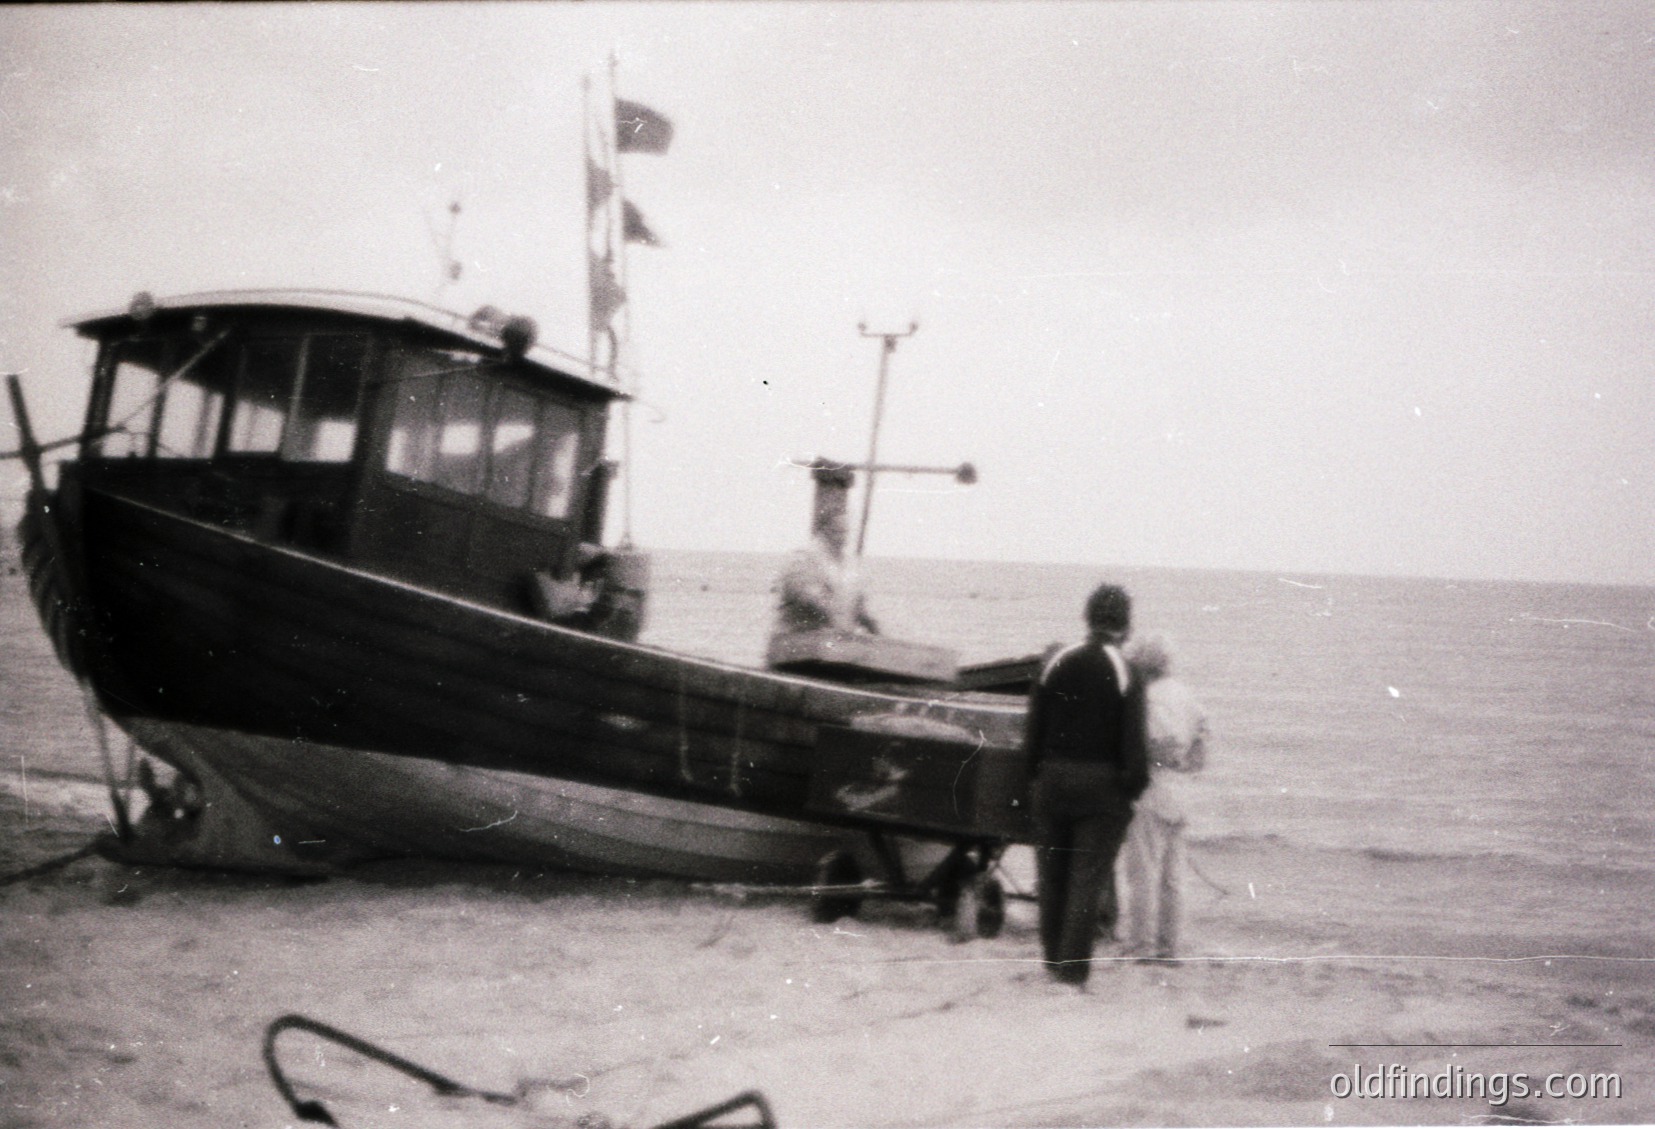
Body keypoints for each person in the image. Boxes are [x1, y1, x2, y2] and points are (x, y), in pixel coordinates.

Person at [1025, 583, 1149, 986]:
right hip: (1100, 785)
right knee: (1086, 878)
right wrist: (1130, 789)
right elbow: (1134, 745)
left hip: (1052, 778)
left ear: (1088, 616)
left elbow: (1033, 731)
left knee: (1052, 875)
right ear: (1125, 623)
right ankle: (1072, 973)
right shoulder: (1125, 669)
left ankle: (1052, 964)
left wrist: (1034, 778)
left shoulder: (1055, 660)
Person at [1117, 632, 1209, 961]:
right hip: (1182, 791)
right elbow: (1201, 749)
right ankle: (1170, 947)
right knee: (1173, 878)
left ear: (1144, 666)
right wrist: (1183, 764)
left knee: (1143, 874)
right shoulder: (1187, 696)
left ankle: (1141, 947)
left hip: (1152, 790)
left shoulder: (1147, 698)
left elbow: (1152, 746)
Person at [773, 460, 879, 636]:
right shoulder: (803, 559)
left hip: (832, 645)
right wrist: (840, 620)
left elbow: (858, 607)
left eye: (845, 532)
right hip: (796, 646)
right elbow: (812, 599)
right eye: (837, 531)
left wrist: (872, 627)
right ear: (825, 530)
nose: (843, 536)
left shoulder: (848, 565)